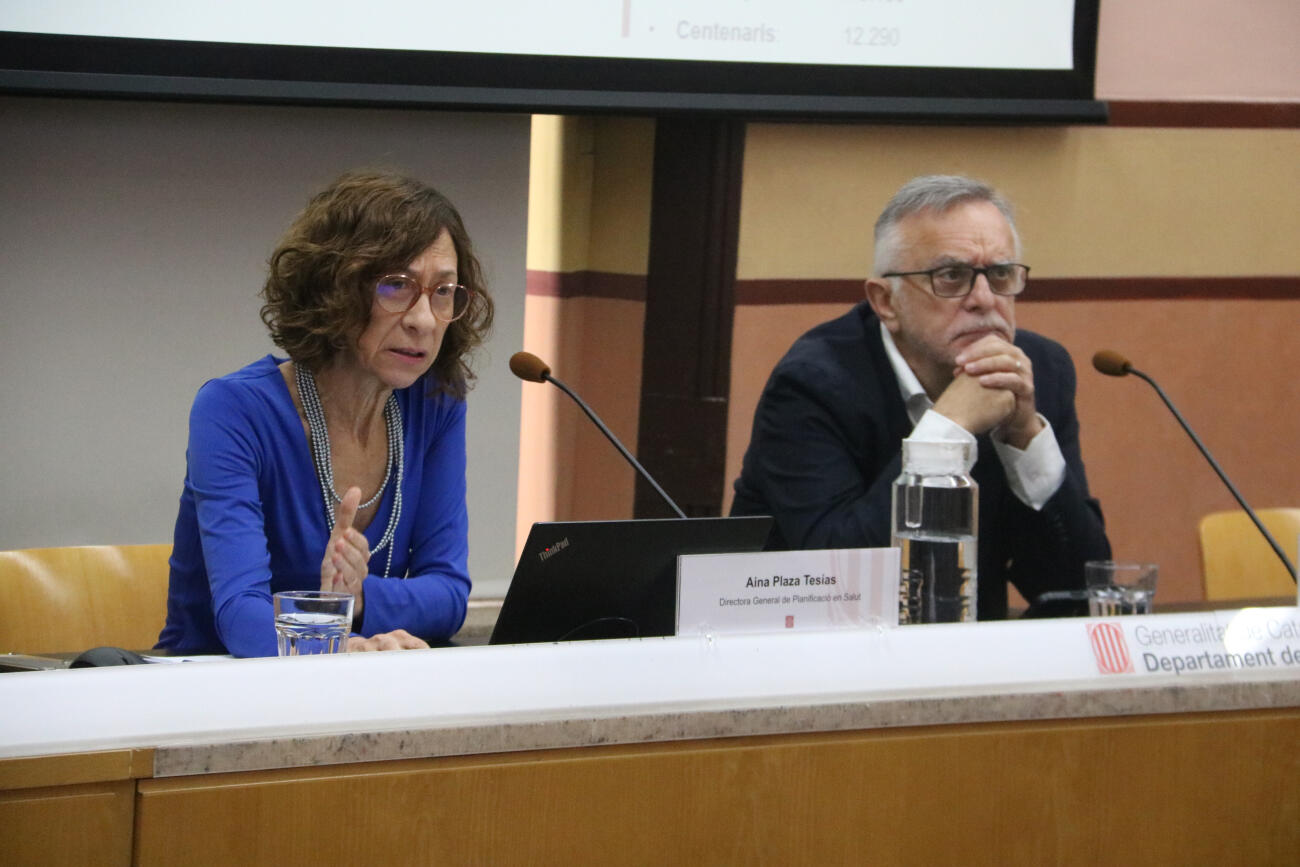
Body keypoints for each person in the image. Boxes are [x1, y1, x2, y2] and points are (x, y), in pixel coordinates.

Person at [730, 175, 1110, 619]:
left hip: (964, 660)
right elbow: (840, 582)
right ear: (885, 301)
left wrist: (1025, 438)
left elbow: (1081, 591)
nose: (985, 299)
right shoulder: (813, 385)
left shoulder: (1039, 371)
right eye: (951, 276)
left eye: (1001, 274)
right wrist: (946, 432)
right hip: (804, 656)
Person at [156, 170, 494, 656]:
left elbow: (447, 595)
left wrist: (358, 600)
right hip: (213, 695)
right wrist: (339, 648)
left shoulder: (435, 400)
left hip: (363, 692)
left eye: (443, 292)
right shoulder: (234, 410)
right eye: (396, 286)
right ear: (335, 290)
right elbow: (241, 616)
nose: (423, 320)